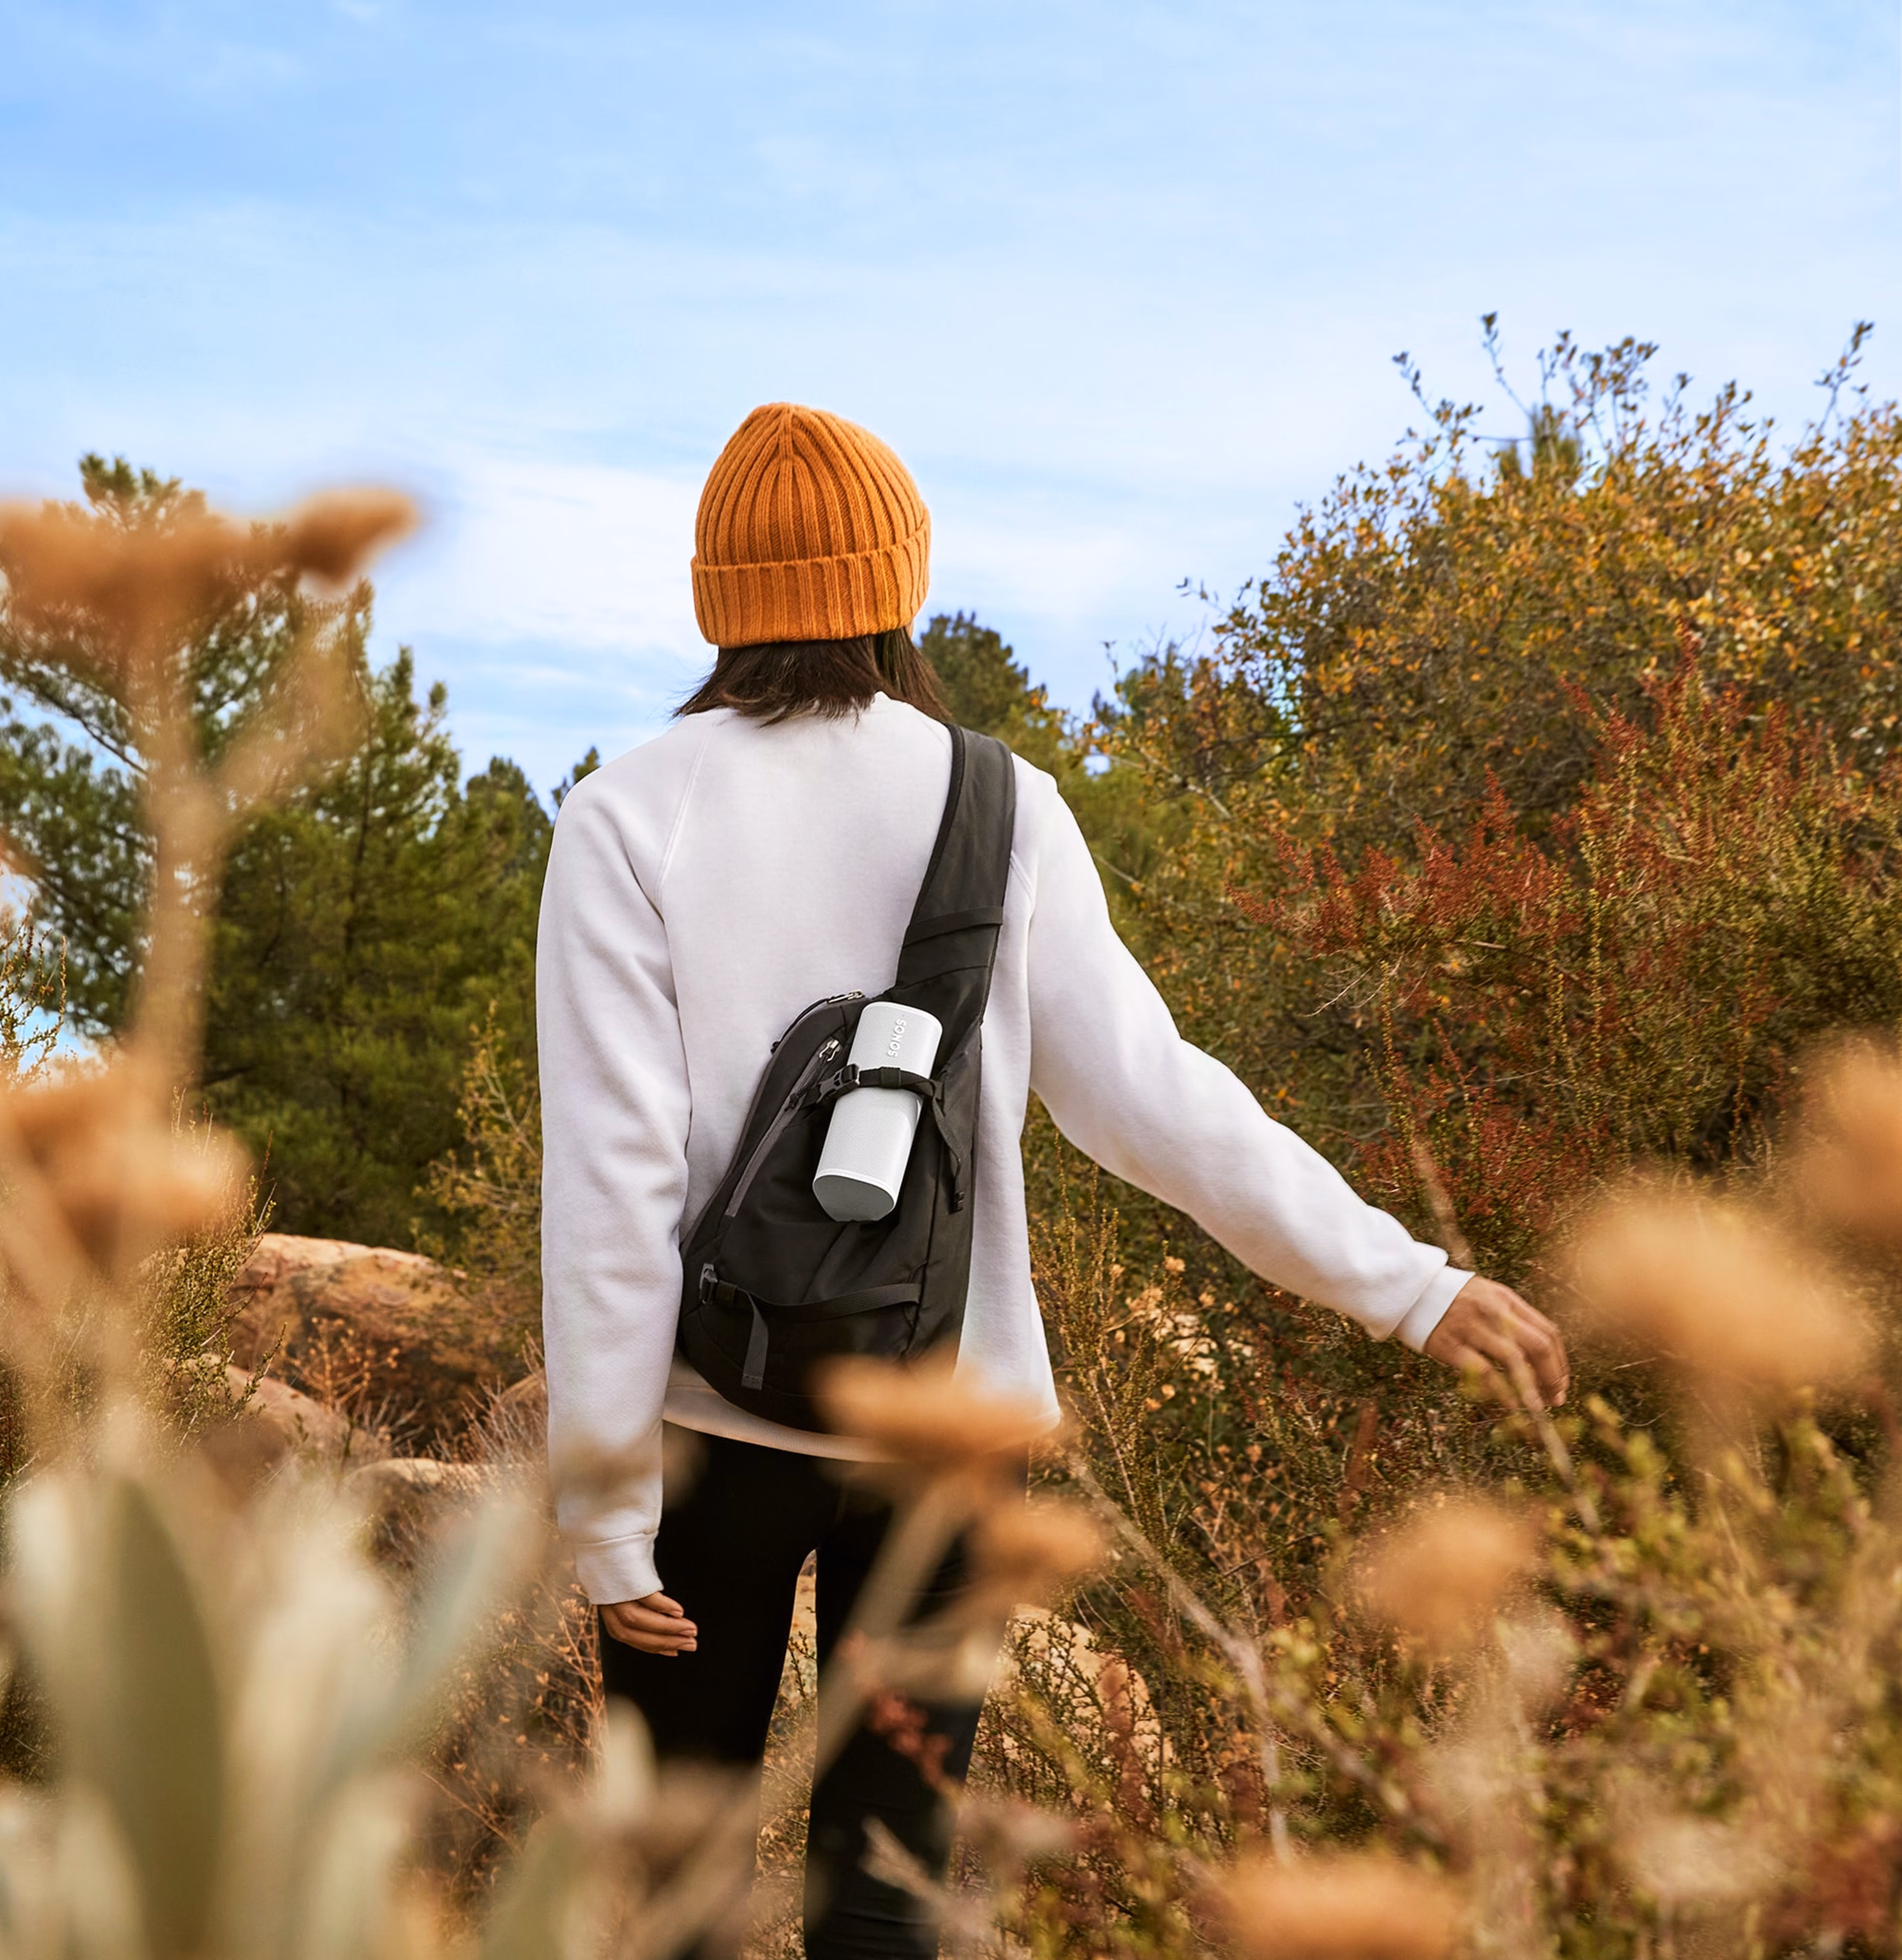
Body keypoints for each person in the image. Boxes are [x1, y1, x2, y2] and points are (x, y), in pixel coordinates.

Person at [537, 402, 1568, 1958]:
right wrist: (1405, 1283)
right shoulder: (1000, 806)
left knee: (669, 1905)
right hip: (949, 1431)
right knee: (884, 1901)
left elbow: (614, 1185)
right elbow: (1154, 1102)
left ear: (717, 596)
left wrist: (609, 1513)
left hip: (703, 1431)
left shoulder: (628, 817)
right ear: (901, 582)